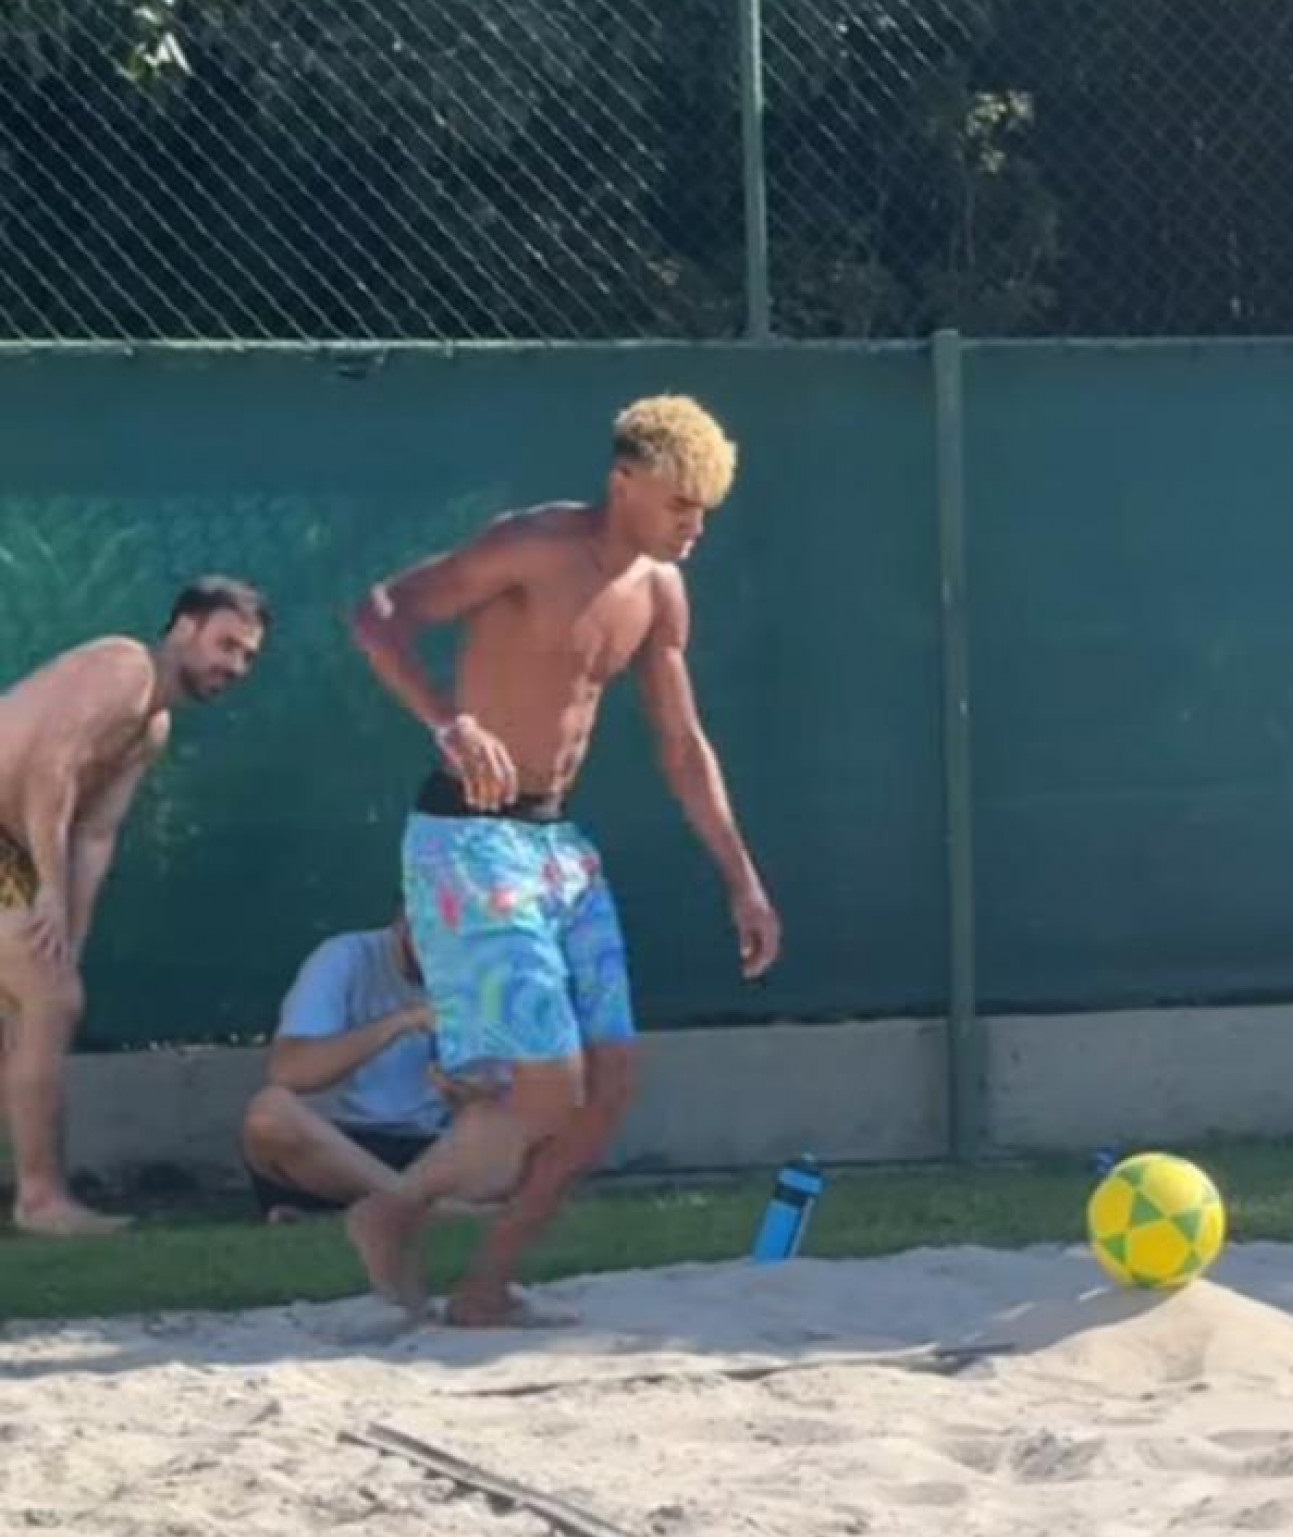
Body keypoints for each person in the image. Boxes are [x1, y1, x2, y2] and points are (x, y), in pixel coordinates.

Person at [344, 393, 781, 1326]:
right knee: (549, 1089)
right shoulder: (533, 545)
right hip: (470, 835)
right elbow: (380, 614)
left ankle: (486, 1286)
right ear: (624, 482)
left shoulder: (659, 590)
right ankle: (392, 1211)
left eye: (705, 509)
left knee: (610, 1083)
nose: (695, 526)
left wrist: (742, 878)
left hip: (556, 846)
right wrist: (448, 722)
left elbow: (681, 744)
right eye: (679, 504)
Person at [0, 576, 270, 1236]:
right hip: (11, 846)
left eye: (247, 656)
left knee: (40, 998)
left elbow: (95, 835)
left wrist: (71, 936)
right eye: (226, 644)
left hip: (13, 851)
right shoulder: (124, 667)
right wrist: (50, 892)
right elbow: (49, 768)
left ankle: (38, 1192)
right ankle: (40, 1199)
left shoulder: (152, 727)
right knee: (49, 1000)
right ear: (184, 627)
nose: (235, 666)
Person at [240, 913, 448, 1222]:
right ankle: (427, 1210)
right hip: (336, 1151)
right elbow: (289, 1071)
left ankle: (366, 1213)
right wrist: (402, 1022)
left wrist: (469, 1091)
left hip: (434, 1145)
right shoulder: (344, 958)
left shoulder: (489, 970)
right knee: (268, 1114)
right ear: (405, 920)